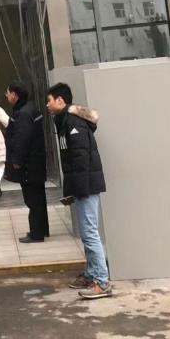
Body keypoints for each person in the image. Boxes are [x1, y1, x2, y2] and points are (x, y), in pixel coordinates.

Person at [46, 82, 112, 299]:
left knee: (90, 233)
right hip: (83, 186)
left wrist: (79, 190)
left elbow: (81, 159)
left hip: (87, 186)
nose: (47, 105)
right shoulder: (64, 121)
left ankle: (101, 282)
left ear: (60, 101)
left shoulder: (74, 123)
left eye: (49, 101)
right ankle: (91, 274)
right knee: (86, 233)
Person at [4, 82, 49, 243]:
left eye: (8, 92)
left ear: (14, 95)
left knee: (32, 199)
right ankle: (42, 229)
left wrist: (16, 160)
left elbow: (21, 139)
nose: (6, 95)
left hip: (29, 164)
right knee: (39, 197)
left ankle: (36, 233)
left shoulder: (23, 113)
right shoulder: (30, 109)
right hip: (35, 162)